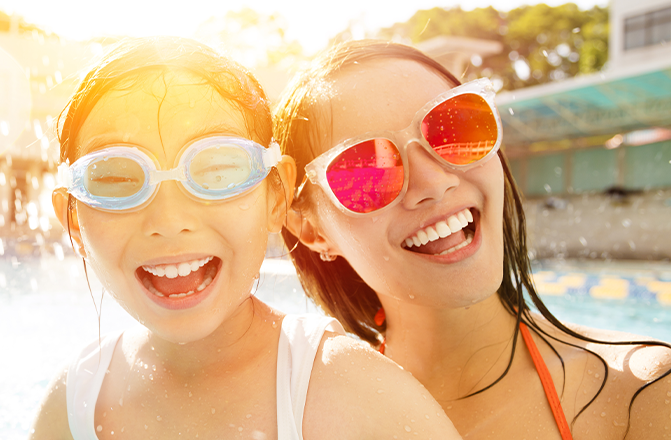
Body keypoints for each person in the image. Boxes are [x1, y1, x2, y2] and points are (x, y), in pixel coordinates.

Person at [29, 37, 462, 440]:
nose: (169, 220)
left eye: (218, 169)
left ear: (276, 196)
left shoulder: (360, 398)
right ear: (72, 220)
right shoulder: (73, 405)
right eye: (118, 178)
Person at [274, 39, 671, 439]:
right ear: (312, 230)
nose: (435, 182)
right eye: (364, 171)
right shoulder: (314, 421)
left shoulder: (643, 391)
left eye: (454, 126)